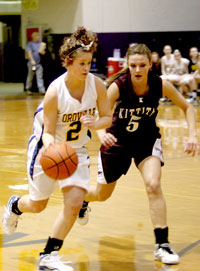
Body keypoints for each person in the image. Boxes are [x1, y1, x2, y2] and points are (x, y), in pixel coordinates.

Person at [2, 26, 112, 271]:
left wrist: (97, 123)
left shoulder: (98, 85)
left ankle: (49, 255)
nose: (87, 68)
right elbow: (49, 132)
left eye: (89, 62)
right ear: (68, 62)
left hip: (78, 150)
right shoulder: (55, 91)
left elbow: (107, 118)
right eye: (82, 63)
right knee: (37, 205)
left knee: (73, 203)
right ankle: (14, 206)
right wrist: (52, 150)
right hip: (47, 149)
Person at [78, 44, 199, 265]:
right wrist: (101, 133)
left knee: (153, 185)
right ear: (127, 66)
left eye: (142, 65)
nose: (137, 70)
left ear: (150, 65)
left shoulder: (160, 84)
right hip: (117, 143)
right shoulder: (118, 86)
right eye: (133, 65)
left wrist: (193, 135)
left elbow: (188, 108)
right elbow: (98, 113)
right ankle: (83, 200)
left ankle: (162, 245)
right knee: (102, 195)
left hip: (146, 141)